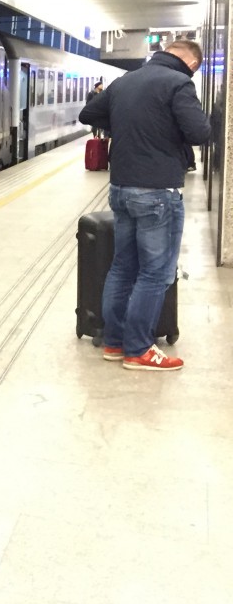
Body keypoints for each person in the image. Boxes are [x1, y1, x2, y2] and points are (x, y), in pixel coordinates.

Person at [78, 39, 211, 371]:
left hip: (121, 187)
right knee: (156, 272)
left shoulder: (126, 80)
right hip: (157, 192)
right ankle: (138, 349)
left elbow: (88, 113)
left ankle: (114, 342)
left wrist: (129, 126)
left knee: (123, 267)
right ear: (192, 64)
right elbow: (199, 132)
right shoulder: (179, 82)